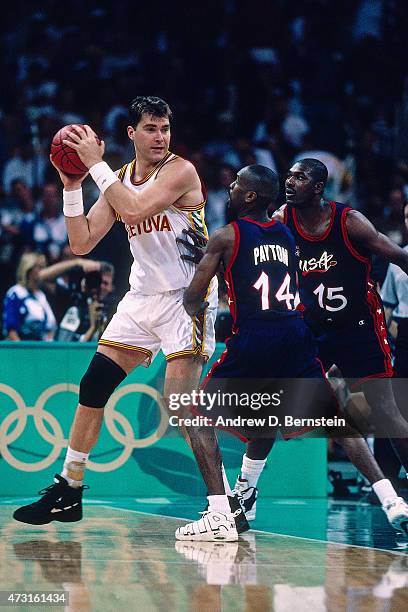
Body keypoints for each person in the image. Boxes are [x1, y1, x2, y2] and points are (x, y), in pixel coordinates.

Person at [13, 96, 228, 528]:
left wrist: (95, 165)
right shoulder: (121, 178)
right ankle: (70, 490)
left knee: (180, 406)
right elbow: (82, 242)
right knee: (93, 384)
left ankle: (223, 509)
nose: (160, 137)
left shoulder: (180, 171)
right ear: (131, 134)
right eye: (150, 128)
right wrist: (72, 187)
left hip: (187, 298)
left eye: (165, 128)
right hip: (142, 297)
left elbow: (132, 208)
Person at [174, 164, 408, 541]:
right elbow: (253, 257)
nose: (290, 182)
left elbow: (200, 291)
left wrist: (208, 261)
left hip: (341, 327)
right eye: (288, 177)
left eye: (299, 177)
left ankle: (221, 510)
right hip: (302, 329)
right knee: (322, 415)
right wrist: (214, 254)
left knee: (197, 415)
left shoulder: (345, 222)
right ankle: (385, 497)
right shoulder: (283, 229)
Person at [2, 252, 56, 341]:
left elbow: (50, 327)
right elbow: (11, 330)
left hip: (41, 349)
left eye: (44, 267)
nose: (44, 271)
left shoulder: (41, 295)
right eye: (40, 267)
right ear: (28, 269)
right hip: (22, 349)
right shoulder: (16, 293)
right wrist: (22, 352)